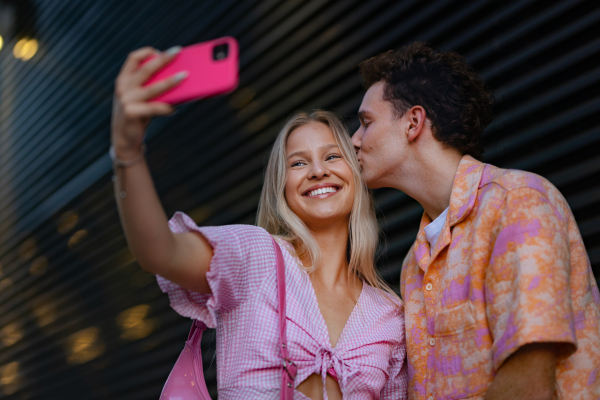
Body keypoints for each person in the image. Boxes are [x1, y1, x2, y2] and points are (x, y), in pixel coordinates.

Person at [110, 47, 408, 400]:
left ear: (356, 176)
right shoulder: (256, 256)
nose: (317, 171)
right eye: (298, 163)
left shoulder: (390, 315)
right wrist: (127, 152)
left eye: (332, 156)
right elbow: (159, 252)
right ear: (282, 187)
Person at [352, 42, 600, 400]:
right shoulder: (413, 264)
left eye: (365, 123)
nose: (354, 141)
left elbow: (529, 387)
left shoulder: (517, 201)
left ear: (413, 122)